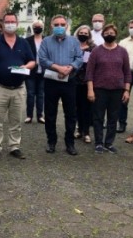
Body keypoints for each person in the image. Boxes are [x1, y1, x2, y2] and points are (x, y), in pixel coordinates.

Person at [0, 13, 35, 160]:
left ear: (17, 23)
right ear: (3, 24)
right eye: (7, 22)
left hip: (19, 88)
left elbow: (32, 61)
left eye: (13, 21)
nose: (10, 24)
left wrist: (26, 66)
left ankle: (14, 146)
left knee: (16, 120)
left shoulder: (23, 43)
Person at [38, 14, 83, 155]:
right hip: (51, 81)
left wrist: (69, 68)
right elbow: (42, 59)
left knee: (70, 113)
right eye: (56, 24)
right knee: (50, 114)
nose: (59, 27)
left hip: (69, 82)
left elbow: (79, 58)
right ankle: (51, 141)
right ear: (51, 26)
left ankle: (70, 143)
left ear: (67, 26)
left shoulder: (74, 41)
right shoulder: (45, 41)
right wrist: (58, 68)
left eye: (62, 24)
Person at [86, 24, 131, 154]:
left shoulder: (122, 51)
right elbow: (90, 72)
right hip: (99, 89)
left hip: (117, 90)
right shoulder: (96, 51)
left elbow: (127, 72)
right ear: (103, 35)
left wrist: (127, 90)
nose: (109, 35)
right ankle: (99, 142)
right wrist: (90, 89)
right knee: (98, 117)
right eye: (107, 33)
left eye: (112, 33)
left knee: (113, 117)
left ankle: (109, 143)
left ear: (116, 34)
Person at [73, 25, 96, 143]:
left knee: (87, 108)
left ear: (89, 35)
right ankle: (78, 129)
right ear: (77, 34)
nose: (83, 35)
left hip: (88, 82)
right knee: (76, 107)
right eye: (81, 32)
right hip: (74, 81)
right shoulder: (73, 46)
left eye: (86, 33)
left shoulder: (93, 48)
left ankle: (86, 132)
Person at [24, 20, 45, 124]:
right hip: (31, 72)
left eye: (39, 26)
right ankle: (29, 115)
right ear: (33, 28)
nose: (37, 28)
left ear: (42, 28)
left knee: (41, 94)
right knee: (30, 94)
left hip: (43, 71)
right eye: (35, 26)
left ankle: (40, 115)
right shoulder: (27, 40)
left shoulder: (46, 40)